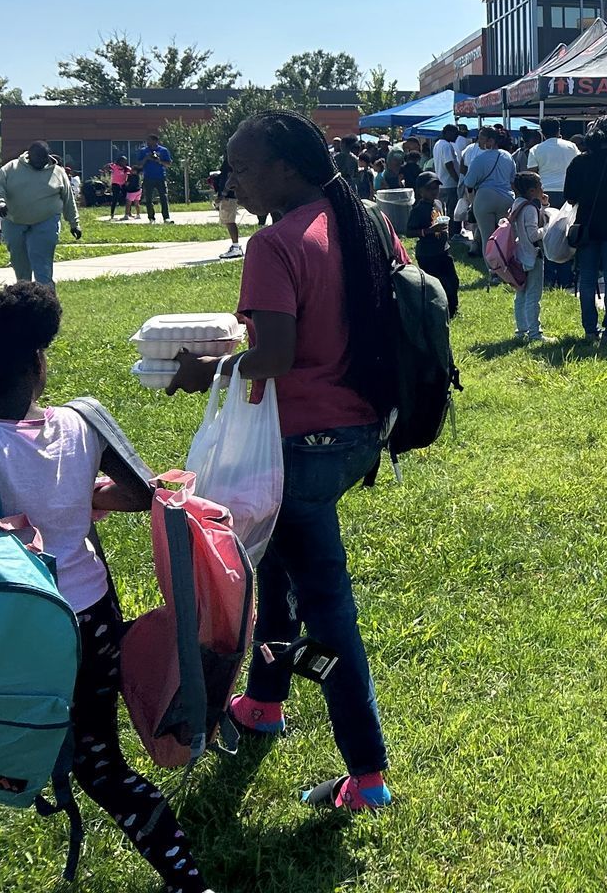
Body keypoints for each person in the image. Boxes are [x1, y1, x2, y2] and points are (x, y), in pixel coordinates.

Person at [165, 108, 399, 814]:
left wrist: (200, 370)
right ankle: (263, 703)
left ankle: (368, 775)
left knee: (327, 611)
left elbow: (272, 357)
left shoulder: (274, 245)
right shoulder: (366, 221)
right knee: (274, 570)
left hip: (297, 447)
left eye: (241, 165)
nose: (231, 177)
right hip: (359, 435)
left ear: (286, 170)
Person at [0, 283, 215, 891]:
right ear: (38, 363)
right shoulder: (82, 419)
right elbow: (147, 493)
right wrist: (81, 501)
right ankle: (184, 874)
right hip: (91, 614)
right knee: (100, 760)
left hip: (17, 631)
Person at [562, 117, 607, 342]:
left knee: (587, 278)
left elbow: (570, 197)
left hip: (586, 227)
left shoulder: (578, 162)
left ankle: (590, 330)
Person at [0, 141, 83, 286]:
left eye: (42, 158)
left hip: (46, 221)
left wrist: (74, 223)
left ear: (48, 156)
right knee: (19, 263)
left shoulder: (58, 172)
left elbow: (68, 199)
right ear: (29, 155)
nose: (39, 161)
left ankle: (46, 300)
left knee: (42, 263)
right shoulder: (11, 168)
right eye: (36, 158)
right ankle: (24, 295)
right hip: (14, 221)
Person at [407, 172, 458, 317]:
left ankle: (453, 309)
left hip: (443, 249)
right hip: (428, 254)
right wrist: (428, 231)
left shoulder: (438, 203)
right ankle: (436, 311)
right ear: (420, 191)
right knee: (436, 285)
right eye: (429, 188)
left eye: (436, 188)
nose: (434, 191)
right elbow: (409, 231)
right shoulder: (418, 209)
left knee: (453, 281)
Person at [506, 171, 549, 344]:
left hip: (519, 256)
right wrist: (548, 227)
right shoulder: (530, 208)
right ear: (532, 191)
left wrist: (544, 206)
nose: (542, 188)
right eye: (540, 186)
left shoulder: (517, 204)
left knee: (521, 295)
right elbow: (533, 235)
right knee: (533, 296)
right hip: (532, 256)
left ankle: (521, 330)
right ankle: (534, 333)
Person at [461, 126, 516, 255]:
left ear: (491, 141)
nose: (478, 141)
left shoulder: (479, 159)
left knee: (487, 238)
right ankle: (505, 268)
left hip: (484, 198)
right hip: (506, 198)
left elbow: (469, 183)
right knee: (504, 237)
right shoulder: (508, 156)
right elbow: (512, 179)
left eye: (481, 138)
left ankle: (492, 272)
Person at [530, 117, 579, 203]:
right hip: (568, 191)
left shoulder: (535, 149)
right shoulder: (572, 146)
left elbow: (532, 174)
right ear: (559, 130)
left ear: (542, 132)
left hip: (544, 192)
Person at [136, 132, 173, 223]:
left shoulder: (163, 150)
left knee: (163, 197)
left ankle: (166, 217)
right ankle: (151, 218)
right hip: (148, 177)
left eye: (149, 140)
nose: (147, 142)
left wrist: (159, 161)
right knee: (148, 198)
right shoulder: (143, 151)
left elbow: (168, 164)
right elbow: (139, 165)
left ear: (155, 141)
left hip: (160, 176)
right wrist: (147, 158)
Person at [216, 155, 247, 259]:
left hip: (228, 196)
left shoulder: (229, 162)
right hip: (228, 195)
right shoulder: (232, 161)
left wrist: (223, 194)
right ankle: (235, 246)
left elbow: (228, 177)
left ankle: (236, 247)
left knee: (229, 221)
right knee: (228, 221)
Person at [432, 124, 463, 216]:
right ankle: (452, 230)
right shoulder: (446, 145)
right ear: (448, 133)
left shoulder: (437, 144)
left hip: (441, 184)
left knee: (443, 212)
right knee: (452, 212)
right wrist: (458, 181)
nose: (457, 136)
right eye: (455, 133)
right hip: (450, 184)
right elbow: (449, 165)